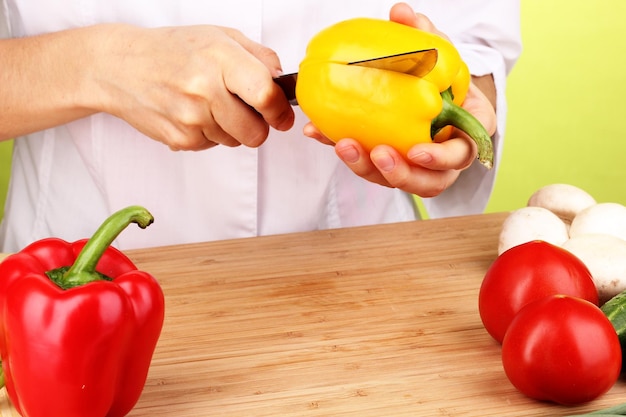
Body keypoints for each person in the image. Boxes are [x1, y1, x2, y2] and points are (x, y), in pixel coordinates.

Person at [0, 1, 521, 251]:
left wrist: (462, 114)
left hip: (363, 266)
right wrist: (97, 64)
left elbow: (473, 38)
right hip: (75, 268)